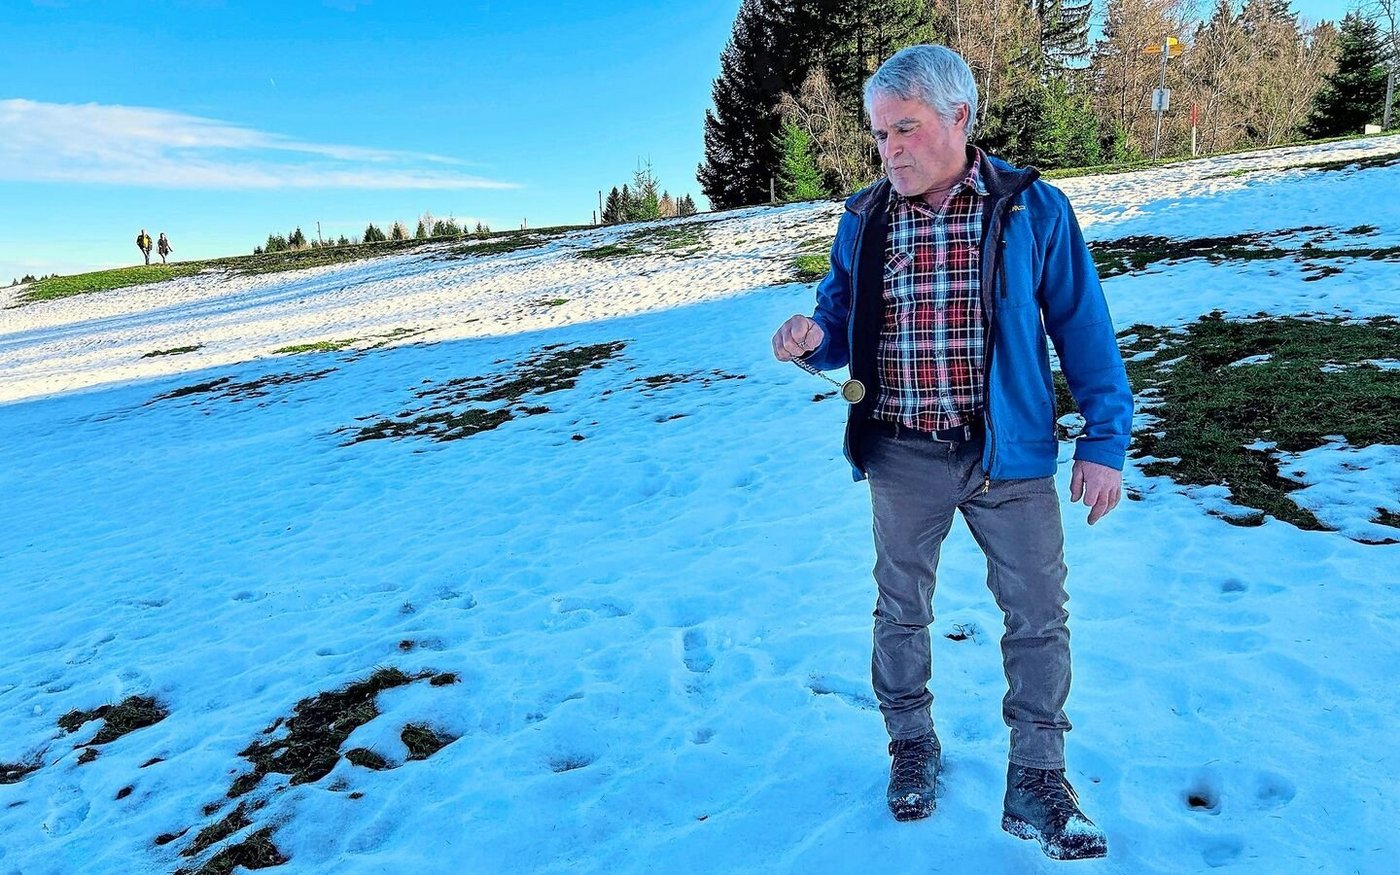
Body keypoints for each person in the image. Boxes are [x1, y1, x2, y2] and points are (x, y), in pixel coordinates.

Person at [771, 45, 1131, 861]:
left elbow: (1084, 331)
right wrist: (812, 336)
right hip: (901, 452)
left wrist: (1103, 441)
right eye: (879, 134)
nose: (889, 148)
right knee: (900, 608)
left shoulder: (1032, 208)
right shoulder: (865, 219)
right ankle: (910, 745)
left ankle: (1038, 776)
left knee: (1038, 616)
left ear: (960, 118)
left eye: (906, 128)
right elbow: (838, 320)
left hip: (1009, 456)